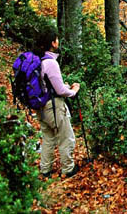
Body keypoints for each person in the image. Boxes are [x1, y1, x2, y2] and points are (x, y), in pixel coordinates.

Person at [36, 28, 80, 178]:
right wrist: (73, 91)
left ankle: (45, 170)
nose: (58, 42)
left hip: (41, 106)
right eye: (56, 39)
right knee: (66, 136)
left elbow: (49, 85)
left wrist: (65, 87)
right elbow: (60, 91)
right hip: (53, 106)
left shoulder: (39, 60)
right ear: (53, 43)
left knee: (48, 138)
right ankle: (68, 169)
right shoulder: (51, 63)